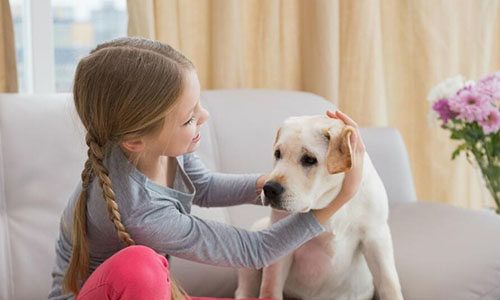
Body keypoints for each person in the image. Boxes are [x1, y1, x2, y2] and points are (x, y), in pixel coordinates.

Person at [47, 37, 366, 300]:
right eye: (189, 118)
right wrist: (341, 196)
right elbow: (255, 250)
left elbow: (204, 186)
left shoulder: (158, 148)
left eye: (198, 105)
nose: (204, 117)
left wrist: (276, 186)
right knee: (140, 265)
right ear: (134, 140)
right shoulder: (140, 210)